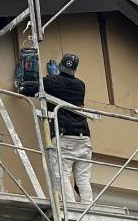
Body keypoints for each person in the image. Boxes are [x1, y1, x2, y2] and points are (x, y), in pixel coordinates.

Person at [20, 50, 93, 208]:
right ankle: (88, 209)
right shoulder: (81, 85)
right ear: (74, 70)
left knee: (62, 174)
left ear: (60, 66)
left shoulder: (53, 82)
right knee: (83, 178)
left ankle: (71, 210)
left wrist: (22, 83)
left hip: (64, 135)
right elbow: (66, 90)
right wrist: (53, 78)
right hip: (83, 138)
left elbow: (28, 90)